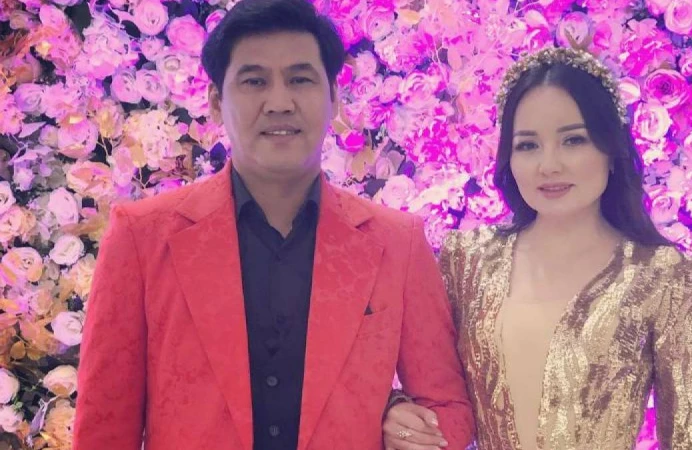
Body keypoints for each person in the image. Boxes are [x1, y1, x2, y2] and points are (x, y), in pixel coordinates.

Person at [73, 0, 474, 449]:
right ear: (216, 101)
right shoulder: (143, 236)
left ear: (333, 96)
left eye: (300, 79)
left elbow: (449, 408)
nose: (279, 102)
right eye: (254, 81)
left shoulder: (398, 242)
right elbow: (103, 428)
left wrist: (402, 425)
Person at [382, 47, 692, 450]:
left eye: (573, 140)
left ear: (611, 151)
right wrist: (396, 410)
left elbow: (691, 438)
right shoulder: (469, 260)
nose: (549, 165)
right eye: (528, 145)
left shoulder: (669, 279)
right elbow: (430, 386)